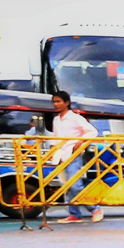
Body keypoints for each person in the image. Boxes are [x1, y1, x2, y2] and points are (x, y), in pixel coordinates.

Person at [47, 91, 103, 222]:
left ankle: (95, 208)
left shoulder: (75, 118)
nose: (56, 104)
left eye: (59, 101)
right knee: (67, 186)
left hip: (73, 155)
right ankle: (75, 214)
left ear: (67, 103)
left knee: (75, 186)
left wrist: (80, 141)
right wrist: (53, 149)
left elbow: (92, 131)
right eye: (54, 101)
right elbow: (57, 137)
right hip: (60, 155)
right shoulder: (56, 119)